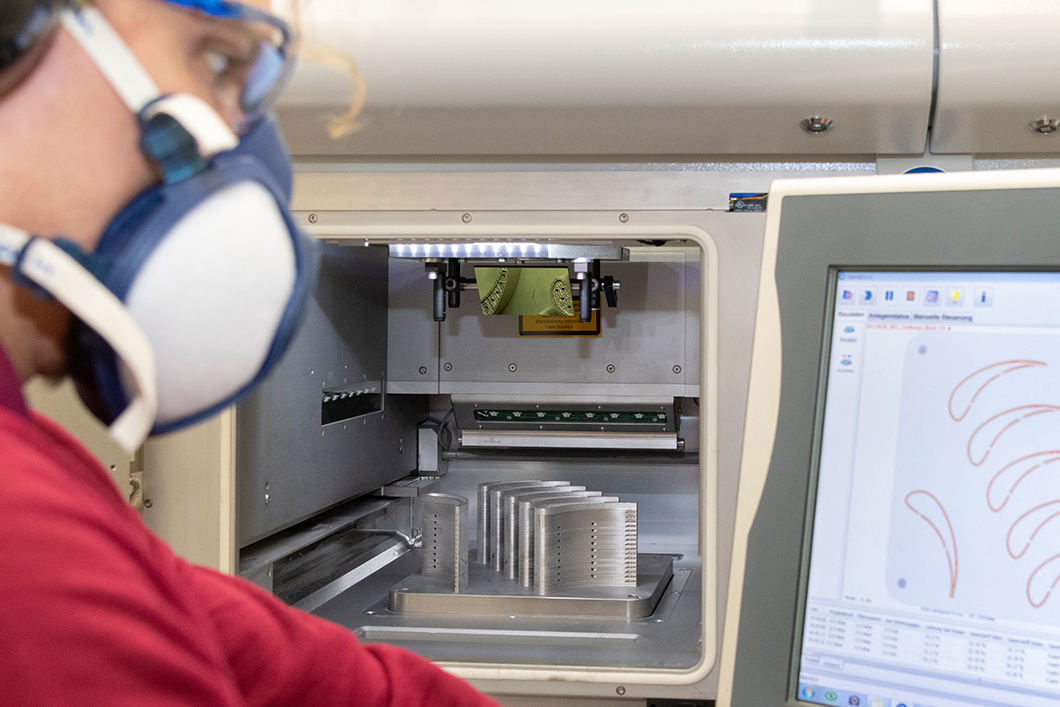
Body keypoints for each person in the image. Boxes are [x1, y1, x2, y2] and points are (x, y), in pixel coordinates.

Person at [0, 0, 505, 704]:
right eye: (216, 61)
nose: (249, 148)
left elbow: (277, 662)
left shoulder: (44, 485)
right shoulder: (24, 538)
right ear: (17, 33)